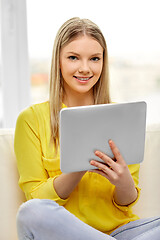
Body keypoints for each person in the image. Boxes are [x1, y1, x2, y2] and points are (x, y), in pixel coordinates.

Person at [14, 17, 160, 240]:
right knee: (30, 212)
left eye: (94, 59)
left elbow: (125, 202)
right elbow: (36, 199)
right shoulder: (31, 120)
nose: (85, 68)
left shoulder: (122, 116)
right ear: (59, 61)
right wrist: (79, 166)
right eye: (73, 57)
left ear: (103, 62)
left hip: (122, 233)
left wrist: (123, 182)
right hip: (63, 234)